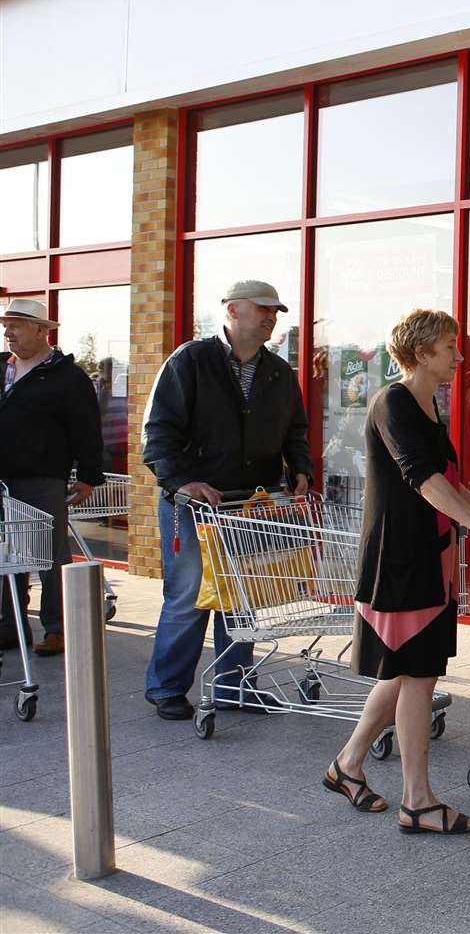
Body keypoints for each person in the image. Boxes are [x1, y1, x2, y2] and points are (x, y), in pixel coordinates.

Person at [323, 309, 470, 833]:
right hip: (401, 558)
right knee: (417, 675)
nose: (459, 356)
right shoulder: (393, 402)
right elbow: (421, 479)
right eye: (449, 347)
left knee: (403, 670)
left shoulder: (428, 405)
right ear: (421, 354)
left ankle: (347, 765)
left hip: (431, 553)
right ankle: (417, 801)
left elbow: (447, 480)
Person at [142, 281, 313, 720]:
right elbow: (159, 432)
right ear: (233, 311)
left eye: (276, 310)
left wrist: (299, 471)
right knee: (187, 597)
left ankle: (235, 687)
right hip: (195, 504)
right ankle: (166, 688)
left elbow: (295, 431)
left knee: (242, 597)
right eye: (263, 309)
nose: (272, 317)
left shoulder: (278, 372)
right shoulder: (191, 361)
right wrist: (182, 481)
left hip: (247, 505)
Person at [0, 298, 104, 657]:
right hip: (2, 480)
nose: (8, 331)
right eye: (6, 324)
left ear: (42, 331)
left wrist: (89, 476)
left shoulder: (67, 377)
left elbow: (87, 430)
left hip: (42, 478)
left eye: (16, 325)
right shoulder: (2, 369)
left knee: (49, 556)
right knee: (5, 555)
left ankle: (58, 629)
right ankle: (9, 626)